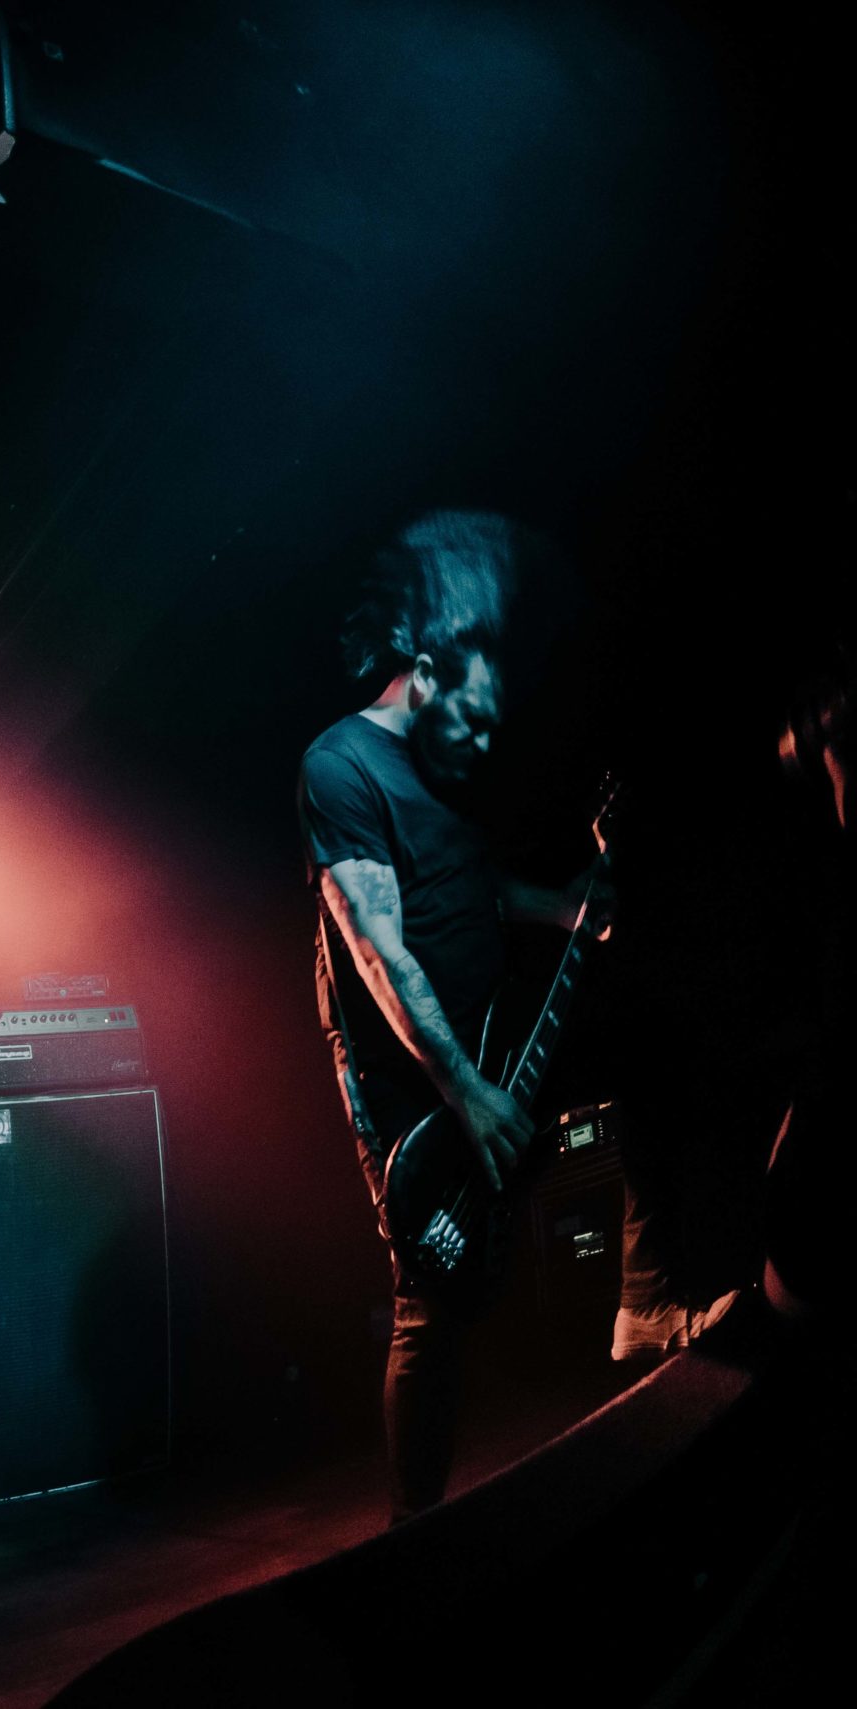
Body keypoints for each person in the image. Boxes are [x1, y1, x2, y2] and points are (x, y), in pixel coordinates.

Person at [297, 511, 608, 1523]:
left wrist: (563, 904)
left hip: (476, 1057)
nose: (480, 743)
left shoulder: (441, 782)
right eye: (472, 719)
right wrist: (464, 1089)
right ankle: (411, 1532)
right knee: (427, 1299)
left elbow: (470, 890)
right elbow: (377, 946)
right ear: (424, 674)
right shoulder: (340, 764)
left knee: (484, 1277)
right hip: (410, 1086)